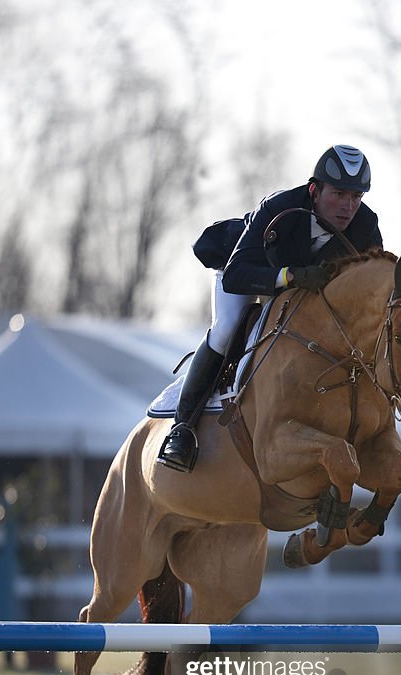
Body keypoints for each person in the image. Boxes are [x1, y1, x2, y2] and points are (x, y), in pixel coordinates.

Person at [158, 144, 383, 472]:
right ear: (314, 190)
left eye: (356, 197)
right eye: (339, 194)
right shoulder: (280, 208)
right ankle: (182, 430)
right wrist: (289, 276)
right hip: (249, 272)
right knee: (225, 330)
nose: (348, 207)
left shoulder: (365, 226)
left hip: (302, 295)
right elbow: (237, 275)